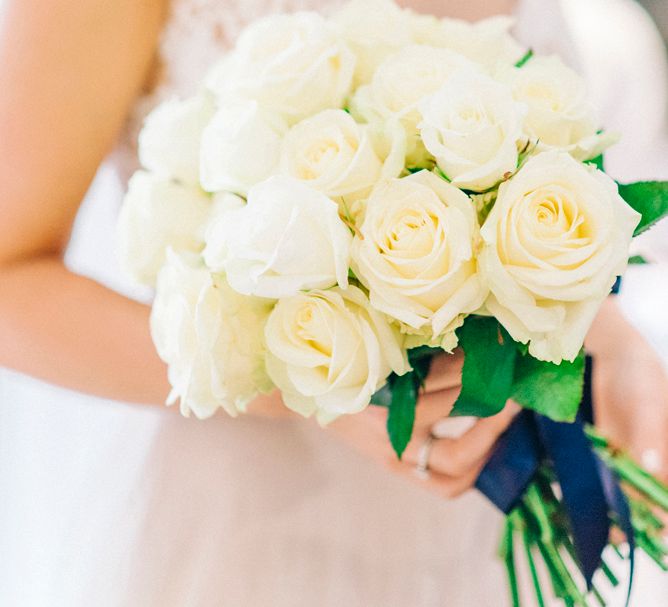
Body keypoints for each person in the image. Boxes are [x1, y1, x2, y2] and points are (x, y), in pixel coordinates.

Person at [0, 0, 666, 605]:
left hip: (481, 532)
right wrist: (302, 379)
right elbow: (10, 283)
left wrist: (608, 339)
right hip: (260, 536)